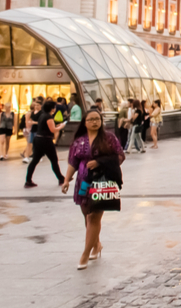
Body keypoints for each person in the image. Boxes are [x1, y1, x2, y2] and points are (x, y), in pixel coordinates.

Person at [61, 109, 126, 269]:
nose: (95, 122)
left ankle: (85, 254)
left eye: (98, 119)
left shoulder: (108, 138)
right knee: (86, 214)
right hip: (83, 182)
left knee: (93, 217)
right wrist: (66, 179)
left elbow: (119, 156)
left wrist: (100, 162)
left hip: (101, 182)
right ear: (85, 122)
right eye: (91, 119)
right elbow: (73, 161)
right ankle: (96, 245)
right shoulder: (79, 140)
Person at [25, 100, 64, 188]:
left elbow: (46, 127)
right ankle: (61, 178)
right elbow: (53, 130)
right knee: (54, 160)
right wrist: (61, 126)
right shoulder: (48, 117)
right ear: (52, 108)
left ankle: (28, 180)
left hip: (38, 139)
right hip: (46, 140)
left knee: (35, 160)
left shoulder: (42, 115)